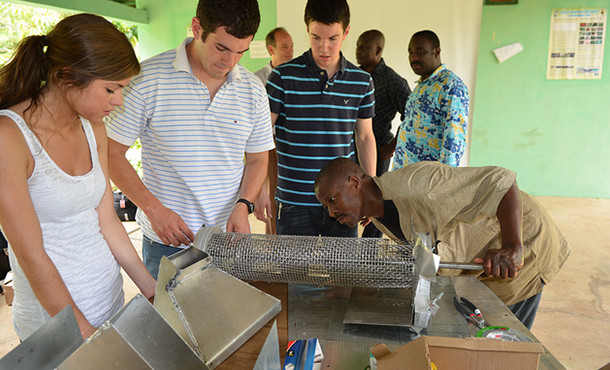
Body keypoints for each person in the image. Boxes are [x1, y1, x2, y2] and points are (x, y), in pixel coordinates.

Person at [0, 13, 156, 341]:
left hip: (108, 301)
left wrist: (152, 289)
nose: (119, 101)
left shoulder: (92, 127)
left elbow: (107, 221)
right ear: (68, 77)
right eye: (111, 89)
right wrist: (81, 331)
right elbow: (31, 252)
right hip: (55, 323)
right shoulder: (10, 137)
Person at [106, 0, 275, 279]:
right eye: (221, 48)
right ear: (197, 28)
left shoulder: (253, 90)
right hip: (166, 242)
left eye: (240, 52)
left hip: (227, 239)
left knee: (230, 320)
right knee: (170, 322)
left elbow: (258, 158)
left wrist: (244, 205)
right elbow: (110, 153)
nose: (229, 62)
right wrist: (153, 209)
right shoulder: (145, 80)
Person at [314, 158, 571, 329]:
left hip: (525, 243)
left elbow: (500, 182)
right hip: (480, 259)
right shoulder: (378, 211)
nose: (331, 211)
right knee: (477, 326)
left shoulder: (421, 187)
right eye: (326, 206)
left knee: (502, 341)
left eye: (332, 200)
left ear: (355, 183)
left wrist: (513, 246)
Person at [259, 0, 377, 238]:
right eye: (316, 38)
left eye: (333, 38)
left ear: (346, 32)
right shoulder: (282, 77)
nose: (324, 48)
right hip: (294, 201)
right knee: (295, 273)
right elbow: (260, 136)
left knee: (343, 272)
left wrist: (370, 190)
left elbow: (365, 137)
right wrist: (261, 189)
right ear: (307, 31)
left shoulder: (362, 81)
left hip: (344, 199)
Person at [355, 29, 411, 238]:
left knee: (375, 200)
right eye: (358, 46)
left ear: (378, 50)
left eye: (363, 47)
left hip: (377, 150)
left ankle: (368, 251)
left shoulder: (393, 81)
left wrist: (392, 146)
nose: (358, 51)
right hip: (350, 148)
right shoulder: (353, 76)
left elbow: (412, 117)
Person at [392, 30, 469, 169]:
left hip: (428, 180)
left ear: (436, 51)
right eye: (410, 52)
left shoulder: (451, 85)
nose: (413, 57)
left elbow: (454, 139)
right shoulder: (421, 86)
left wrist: (442, 180)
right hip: (404, 176)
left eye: (420, 52)